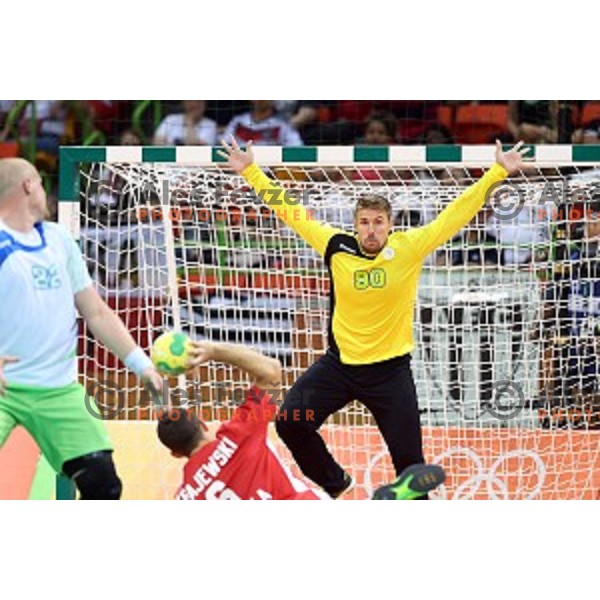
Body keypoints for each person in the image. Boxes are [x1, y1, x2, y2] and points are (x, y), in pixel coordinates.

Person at [217, 136, 531, 498]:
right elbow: (290, 210)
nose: (371, 229)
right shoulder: (335, 245)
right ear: (355, 224)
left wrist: (497, 173)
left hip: (390, 374)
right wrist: (251, 171)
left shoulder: (408, 247)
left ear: (390, 224)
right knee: (290, 422)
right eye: (364, 222)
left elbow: (456, 212)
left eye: (378, 222)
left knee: (412, 472)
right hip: (339, 368)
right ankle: (337, 483)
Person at [0, 158, 164, 499]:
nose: (46, 193)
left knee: (104, 487)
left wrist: (141, 365)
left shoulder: (59, 239)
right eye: (42, 185)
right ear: (29, 185)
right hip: (4, 392)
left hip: (58, 389)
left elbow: (97, 312)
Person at [157, 340, 446, 500]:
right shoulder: (237, 434)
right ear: (204, 424)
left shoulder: (185, 498)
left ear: (174, 453)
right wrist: (213, 351)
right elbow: (270, 370)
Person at [223, 101, 303, 146]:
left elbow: (296, 148)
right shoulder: (238, 121)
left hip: (269, 170)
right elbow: (224, 144)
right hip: (238, 170)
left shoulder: (283, 124)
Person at [153, 101, 218, 146]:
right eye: (190, 101)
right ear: (183, 103)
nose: (195, 104)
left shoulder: (210, 124)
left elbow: (194, 146)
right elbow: (157, 142)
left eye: (199, 101)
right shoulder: (170, 119)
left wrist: (190, 121)